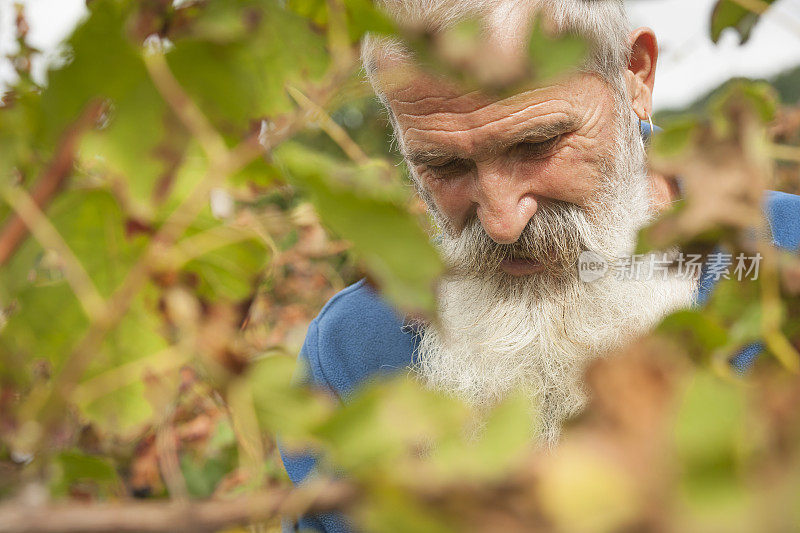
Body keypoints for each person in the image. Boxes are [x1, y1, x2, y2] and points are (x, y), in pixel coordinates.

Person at [280, 1, 800, 531]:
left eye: (536, 144)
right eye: (445, 165)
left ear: (635, 76)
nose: (503, 222)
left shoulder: (788, 253)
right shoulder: (348, 355)